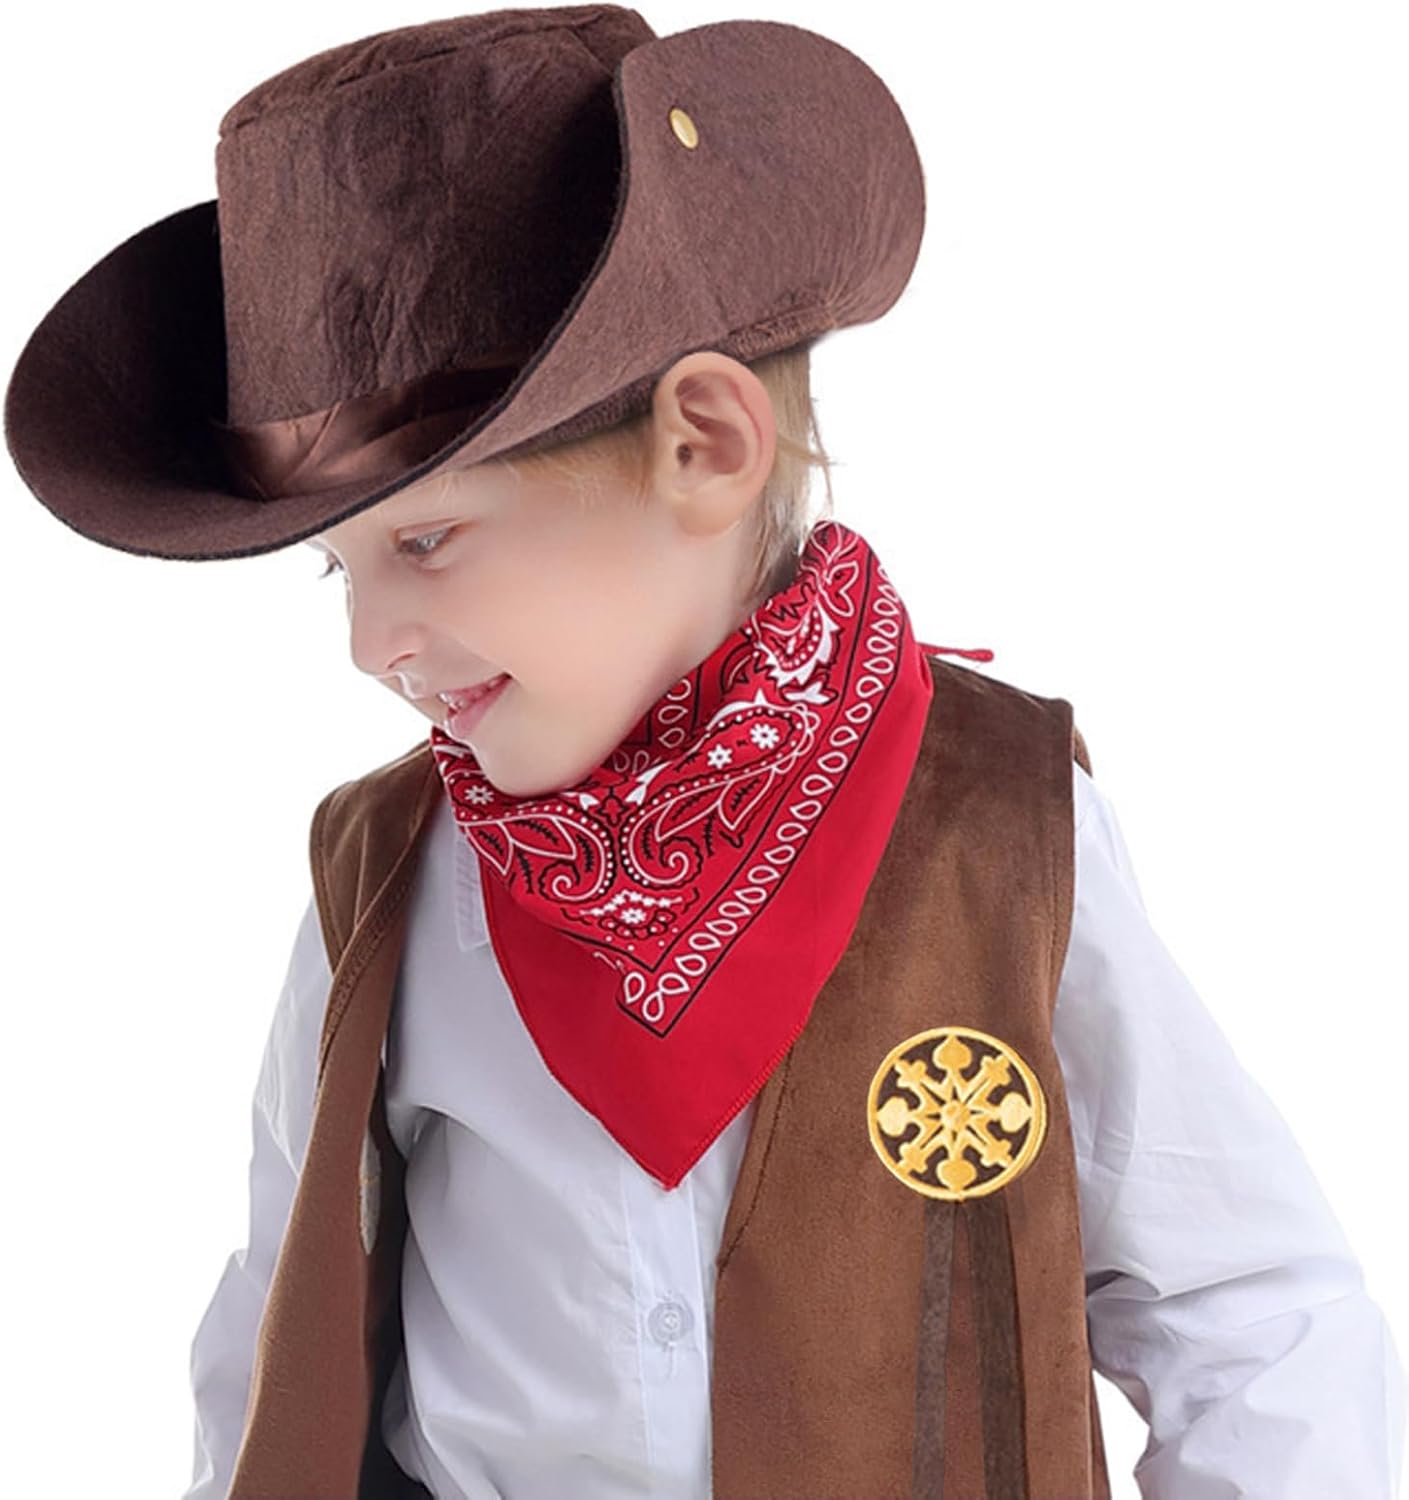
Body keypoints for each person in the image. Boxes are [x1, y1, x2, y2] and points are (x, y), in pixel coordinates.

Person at [4, 7, 1403, 1498]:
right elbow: (277, 1320)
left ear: (705, 448)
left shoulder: (995, 829)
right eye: (337, 571)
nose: (371, 642)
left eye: (426, 540)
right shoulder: (386, 876)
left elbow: (1247, 1321)